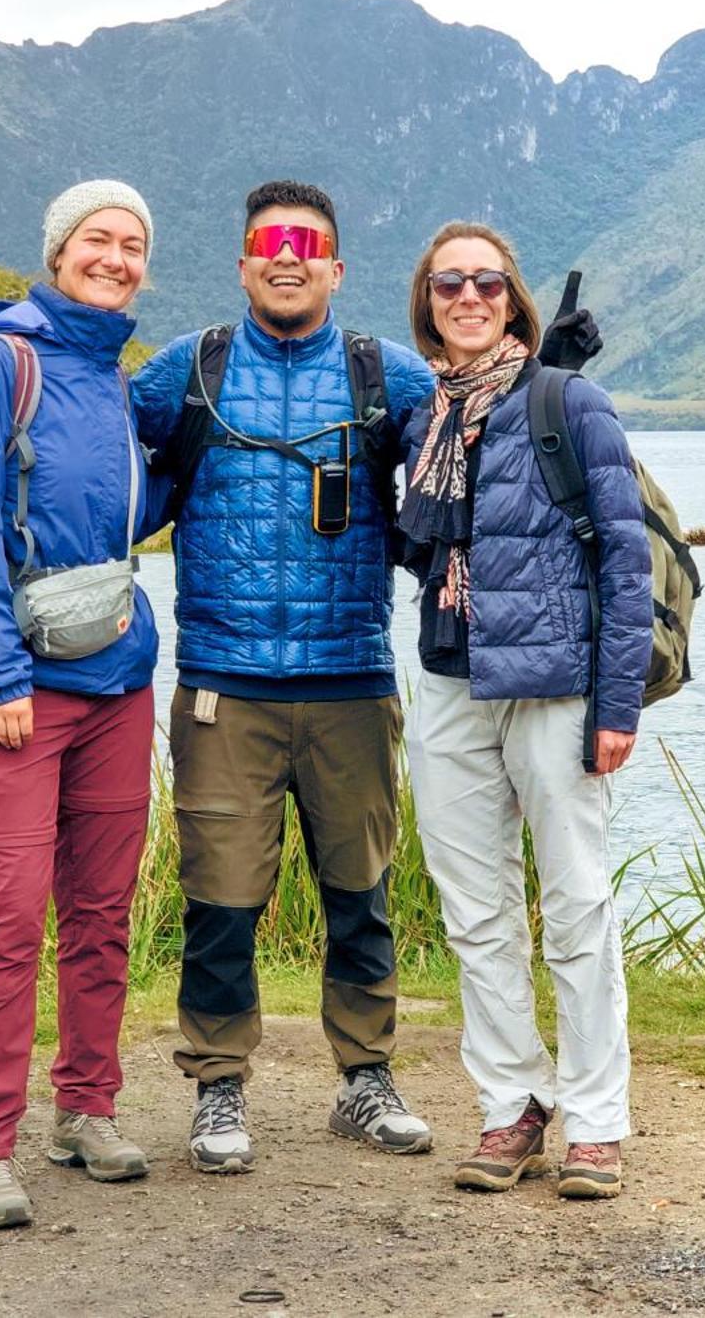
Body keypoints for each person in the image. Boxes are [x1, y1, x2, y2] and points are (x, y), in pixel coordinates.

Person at [130, 180, 438, 1173]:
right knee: (220, 900)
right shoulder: (190, 370)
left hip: (351, 679)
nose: (287, 258)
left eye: (307, 245)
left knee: (359, 891)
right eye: (268, 243)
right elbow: (100, 468)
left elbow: (470, 467)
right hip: (223, 687)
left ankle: (364, 1079)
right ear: (242, 264)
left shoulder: (387, 378)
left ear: (337, 269)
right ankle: (218, 1089)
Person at [0, 180, 167, 1229]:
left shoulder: (117, 383)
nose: (114, 257)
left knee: (103, 913)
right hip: (13, 689)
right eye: (96, 240)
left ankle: (86, 1110)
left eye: (131, 245)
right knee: (10, 918)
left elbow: (126, 511)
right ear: (58, 250)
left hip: (116, 678)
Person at [396, 221, 652, 1200]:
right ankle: (513, 1106)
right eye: (448, 282)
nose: (468, 296)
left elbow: (624, 562)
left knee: (577, 902)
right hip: (450, 682)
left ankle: (594, 1121)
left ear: (513, 298)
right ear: (426, 298)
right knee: (475, 912)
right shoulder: (421, 418)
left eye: (487, 283)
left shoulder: (565, 403)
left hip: (554, 684)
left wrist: (615, 703)